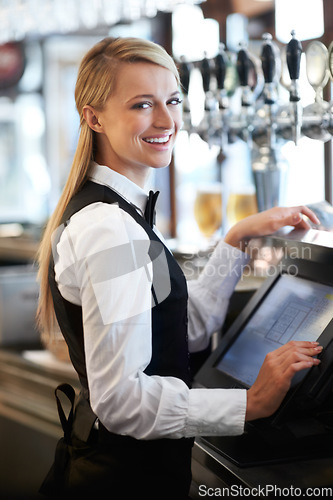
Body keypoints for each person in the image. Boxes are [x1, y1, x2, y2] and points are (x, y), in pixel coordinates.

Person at [37, 36, 322, 499]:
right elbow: (121, 402)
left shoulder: (124, 214)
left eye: (172, 100)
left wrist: (235, 238)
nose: (168, 121)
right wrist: (250, 403)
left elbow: (180, 332)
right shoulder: (111, 229)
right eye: (142, 105)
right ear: (93, 117)